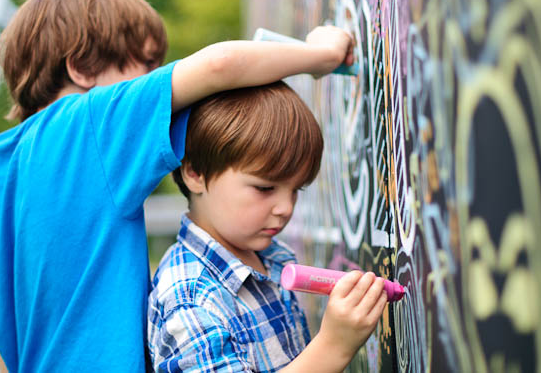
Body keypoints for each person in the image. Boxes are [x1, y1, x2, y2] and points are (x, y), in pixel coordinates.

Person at [0, 0, 354, 371]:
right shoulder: (91, 124)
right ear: (82, 68)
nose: (157, 81)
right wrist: (320, 55)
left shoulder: (3, 170)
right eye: (148, 65)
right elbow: (220, 65)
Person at [147, 81, 388, 372]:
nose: (286, 208)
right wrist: (333, 346)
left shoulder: (265, 254)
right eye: (265, 188)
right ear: (195, 174)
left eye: (296, 189)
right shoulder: (189, 297)